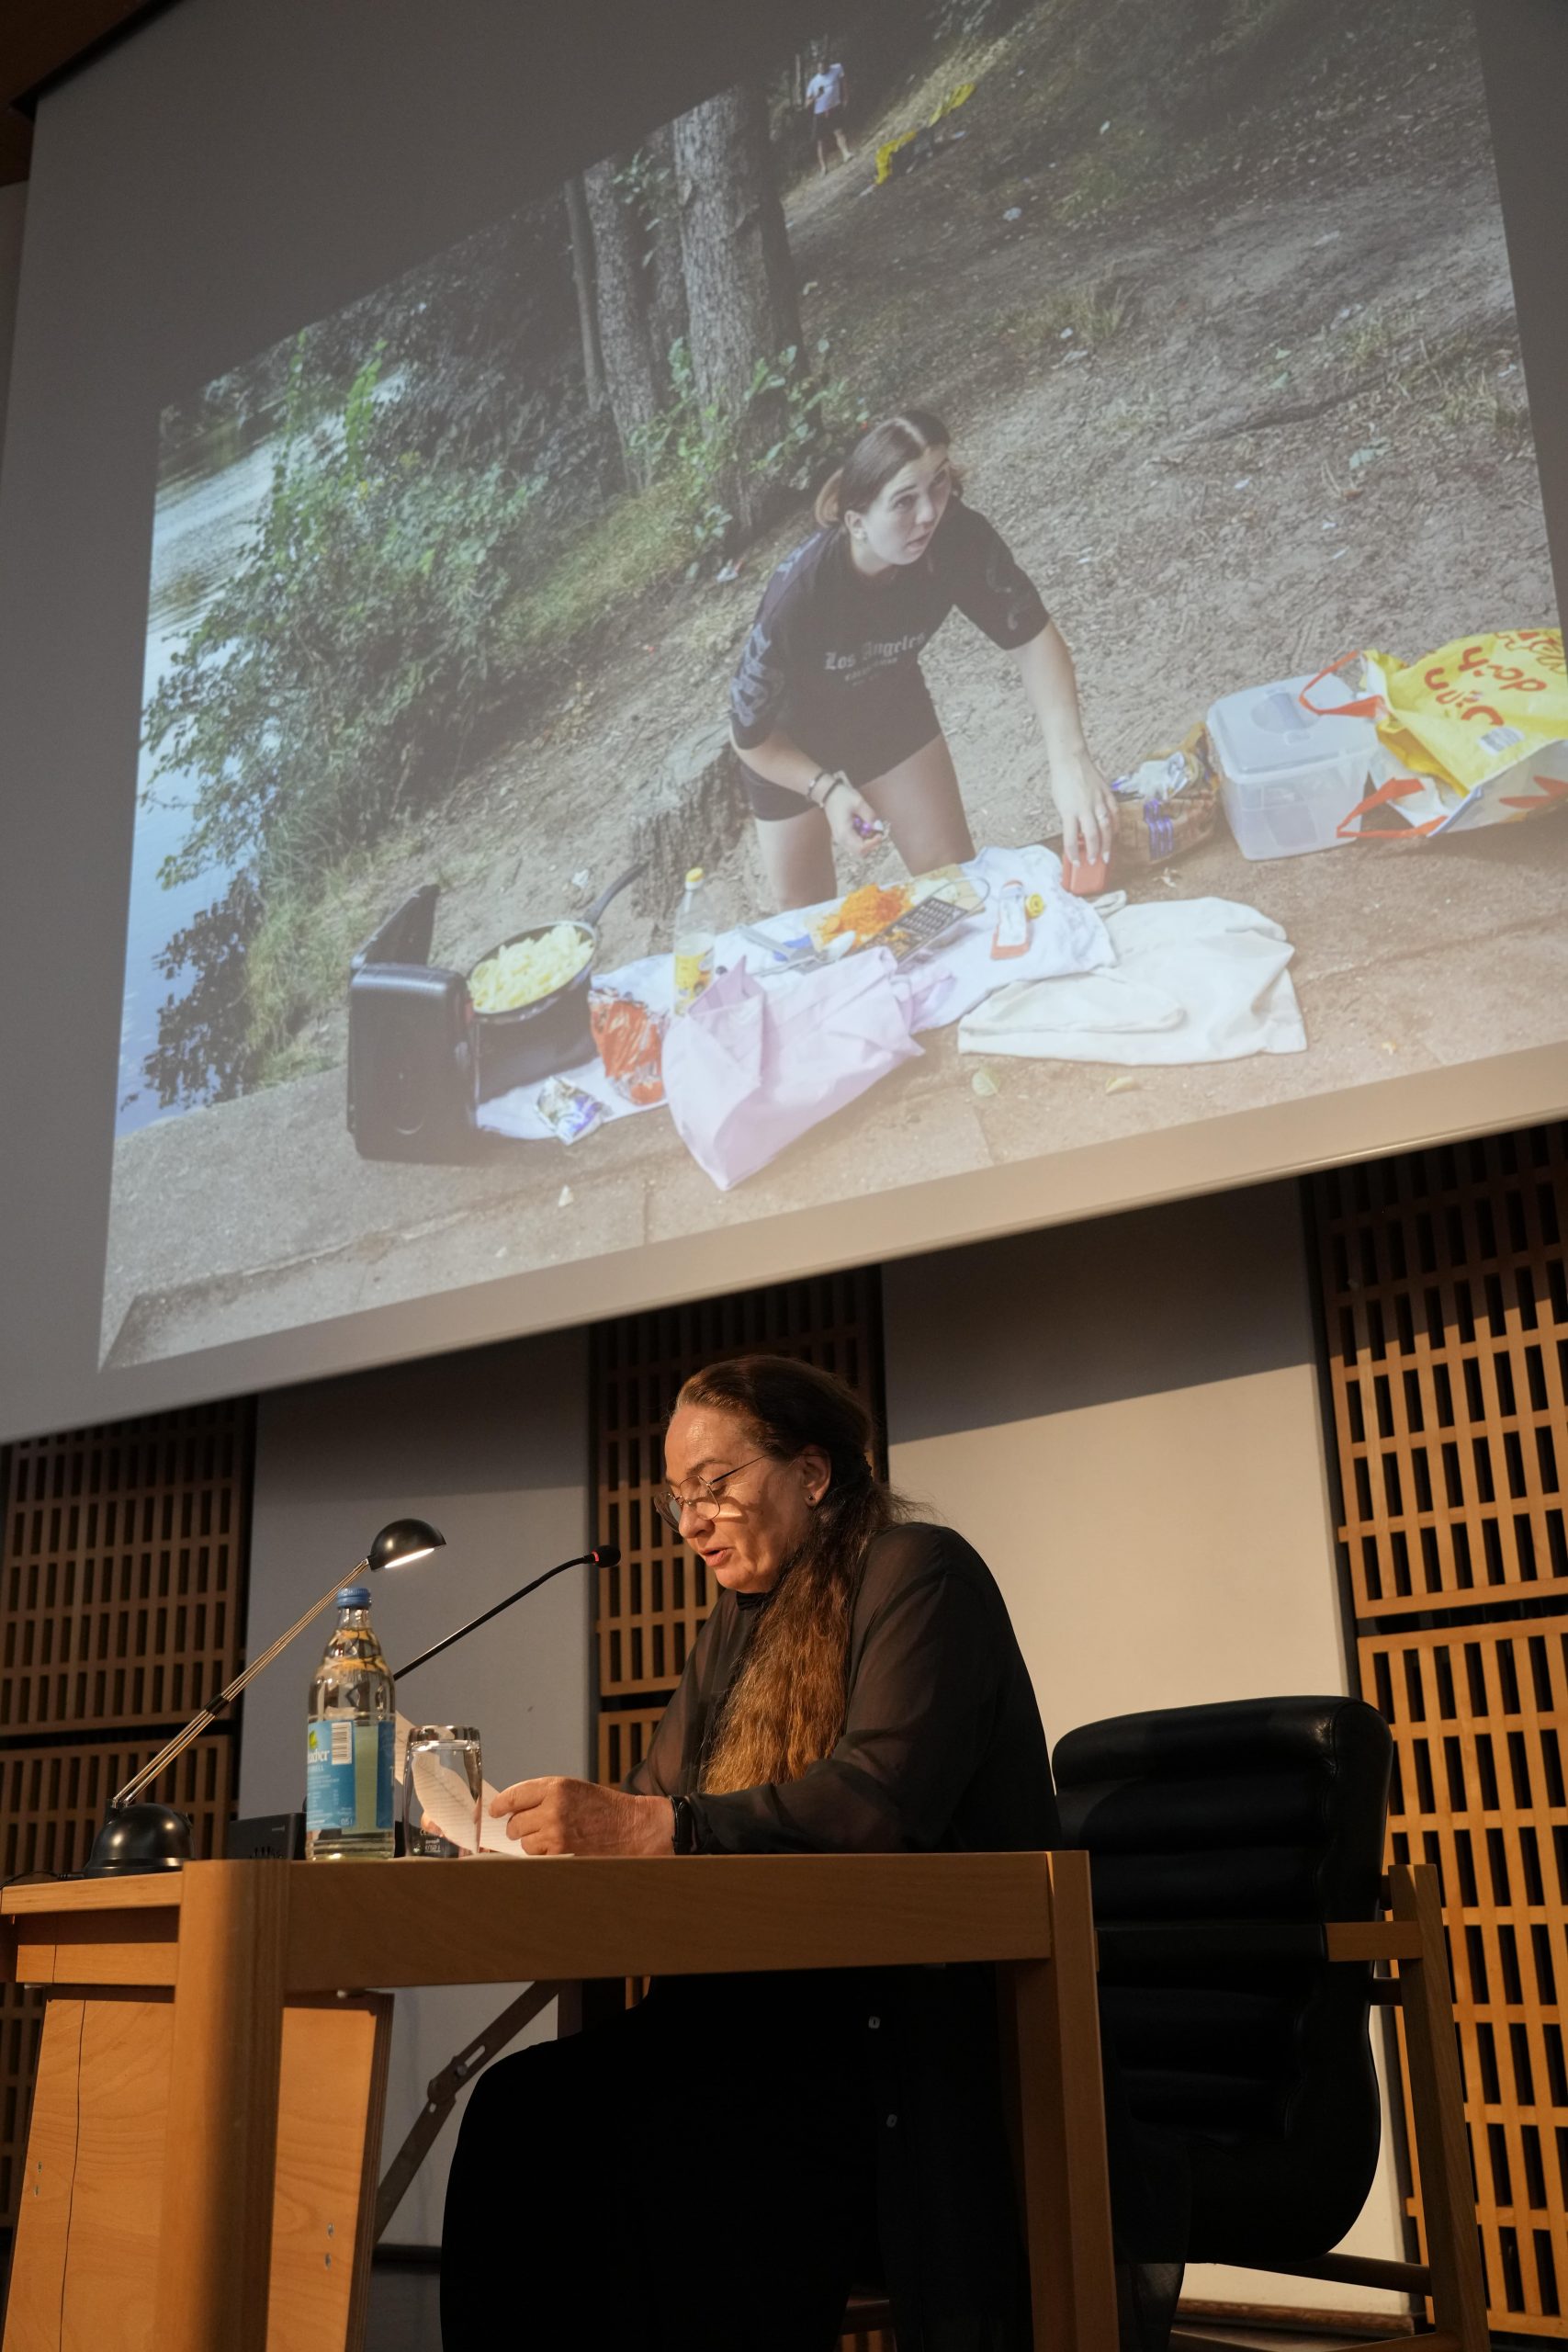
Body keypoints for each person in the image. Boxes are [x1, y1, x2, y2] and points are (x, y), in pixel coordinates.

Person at [439, 1355, 1069, 2350]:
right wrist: (528, 1838)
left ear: (812, 1474)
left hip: (891, 2048)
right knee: (524, 2110)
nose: (689, 1523)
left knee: (654, 2141)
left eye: (713, 1486)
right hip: (757, 2021)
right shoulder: (737, 1621)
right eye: (675, 1498)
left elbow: (878, 1800)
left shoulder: (919, 1571)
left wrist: (661, 1829)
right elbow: (654, 1797)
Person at [729, 407, 1116, 912]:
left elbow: (1033, 638)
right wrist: (826, 791)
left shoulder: (956, 538)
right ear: (857, 522)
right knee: (807, 917)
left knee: (954, 884)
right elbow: (749, 737)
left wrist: (1071, 760)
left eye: (938, 485)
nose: (930, 514)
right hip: (788, 740)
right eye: (904, 502)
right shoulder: (799, 596)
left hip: (886, 709)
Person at [805, 57, 852, 173]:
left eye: (823, 66)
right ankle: (824, 167)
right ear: (817, 68)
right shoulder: (813, 82)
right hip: (820, 113)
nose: (821, 69)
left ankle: (846, 153)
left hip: (834, 107)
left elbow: (843, 81)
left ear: (827, 65)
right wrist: (816, 96)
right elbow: (806, 104)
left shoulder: (836, 69)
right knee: (821, 141)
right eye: (819, 67)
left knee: (839, 131)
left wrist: (846, 96)